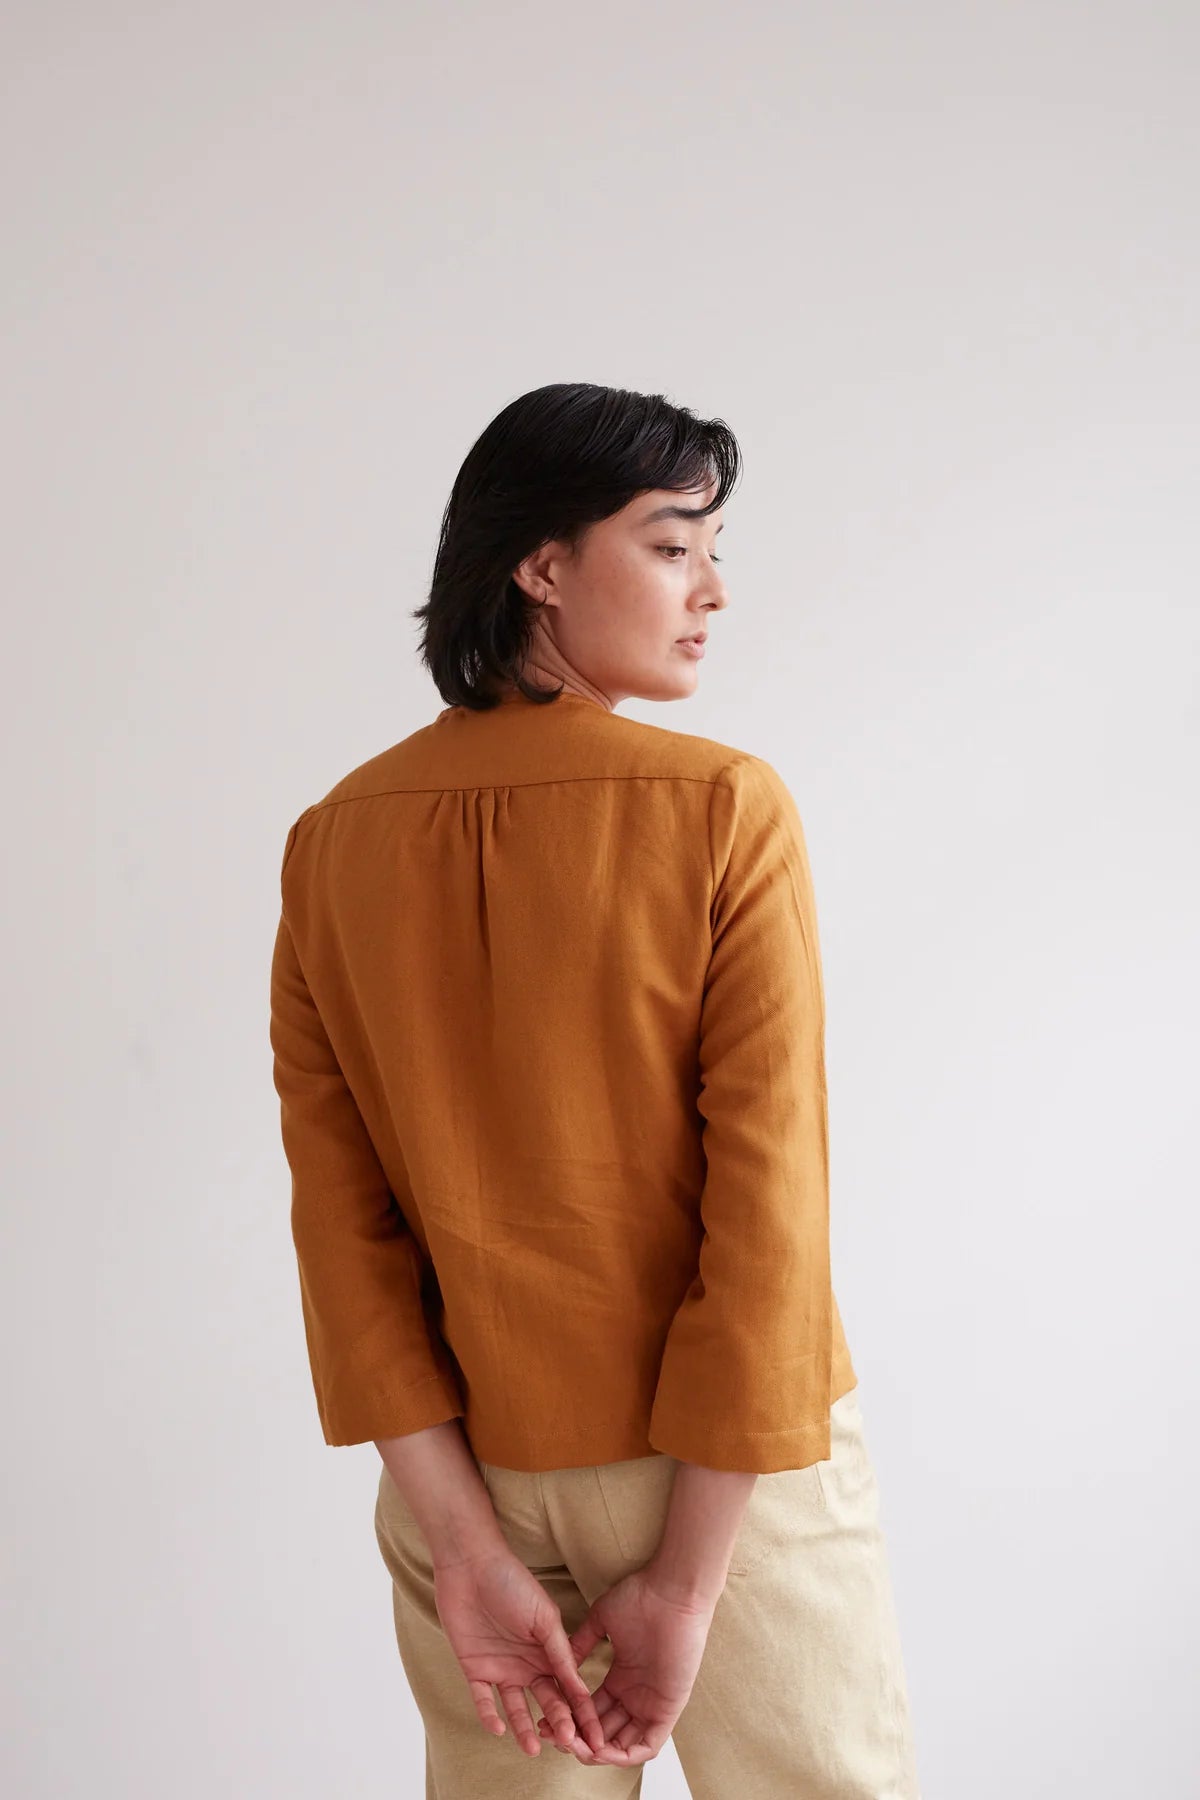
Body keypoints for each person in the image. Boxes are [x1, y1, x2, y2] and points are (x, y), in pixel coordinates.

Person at [269, 381, 922, 1796]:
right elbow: (768, 1215)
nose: (713, 591)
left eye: (712, 551)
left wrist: (462, 1539)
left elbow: (342, 1232)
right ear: (542, 565)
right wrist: (687, 1580)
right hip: (724, 1480)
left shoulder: (331, 845)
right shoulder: (722, 807)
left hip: (467, 1481)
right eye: (674, 545)